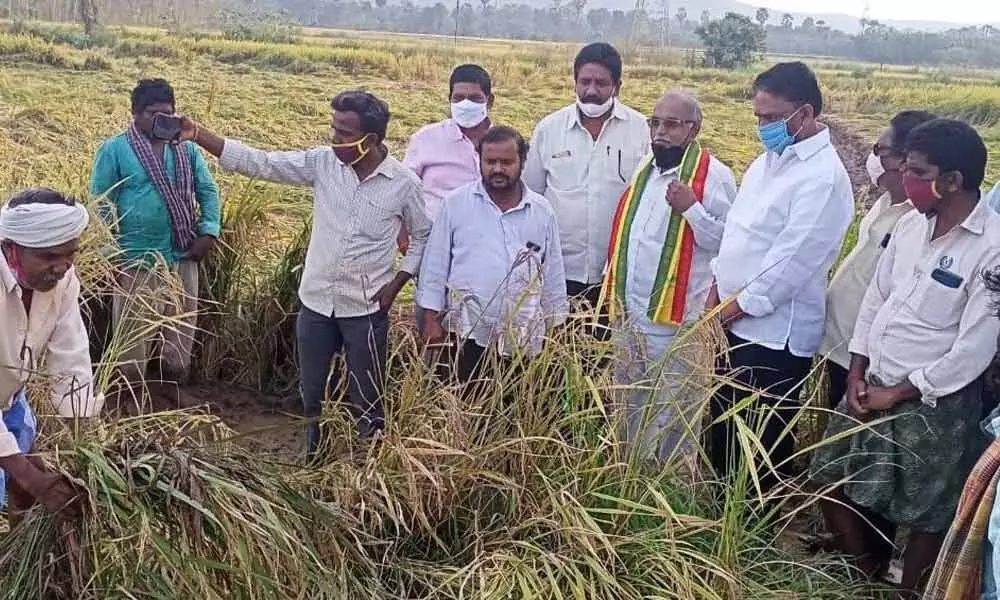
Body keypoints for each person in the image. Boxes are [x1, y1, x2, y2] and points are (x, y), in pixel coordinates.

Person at [178, 90, 431, 456]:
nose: (335, 138)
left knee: (367, 396)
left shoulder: (404, 184)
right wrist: (201, 134)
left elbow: (424, 235)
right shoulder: (323, 164)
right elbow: (262, 162)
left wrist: (398, 282)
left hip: (366, 308)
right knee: (311, 395)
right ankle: (314, 457)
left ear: (371, 139)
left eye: (345, 132)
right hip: (315, 304)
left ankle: (366, 467)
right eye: (334, 128)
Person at [810, 118, 1000, 596]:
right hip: (872, 381)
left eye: (917, 171)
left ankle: (909, 590)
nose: (905, 178)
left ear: (952, 180)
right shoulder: (912, 226)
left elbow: (974, 348)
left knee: (927, 512)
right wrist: (857, 368)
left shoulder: (993, 249)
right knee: (828, 478)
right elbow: (877, 299)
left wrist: (898, 391)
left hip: (934, 403)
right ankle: (866, 578)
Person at [706, 62, 854, 496]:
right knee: (723, 436)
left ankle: (751, 541)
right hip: (731, 324)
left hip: (773, 337)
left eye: (772, 118)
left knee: (759, 451)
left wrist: (724, 312)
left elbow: (787, 267)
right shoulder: (768, 161)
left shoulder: (823, 178)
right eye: (759, 118)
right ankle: (718, 525)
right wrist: (716, 293)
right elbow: (737, 231)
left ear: (804, 114)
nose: (763, 127)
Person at [599, 89, 736, 462]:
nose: (660, 132)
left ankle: (671, 481)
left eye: (671, 125)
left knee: (674, 405)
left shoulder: (714, 177)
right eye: (654, 122)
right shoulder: (645, 169)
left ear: (694, 129)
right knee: (629, 398)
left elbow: (727, 242)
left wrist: (691, 209)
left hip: (677, 321)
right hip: (631, 314)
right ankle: (628, 470)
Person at [90, 78, 221, 391]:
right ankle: (129, 398)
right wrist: (110, 256)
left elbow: (207, 190)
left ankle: (171, 392)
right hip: (135, 257)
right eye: (153, 114)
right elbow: (100, 204)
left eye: (168, 114)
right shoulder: (115, 149)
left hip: (183, 252)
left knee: (181, 329)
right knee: (132, 336)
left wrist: (209, 231)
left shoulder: (186, 149)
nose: (162, 121)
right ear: (135, 113)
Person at [417, 126, 568, 388]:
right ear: (480, 160)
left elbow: (552, 273)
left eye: (506, 162)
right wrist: (430, 319)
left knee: (514, 410)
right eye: (491, 161)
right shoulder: (456, 203)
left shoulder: (541, 210)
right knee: (465, 404)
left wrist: (556, 327)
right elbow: (435, 266)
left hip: (523, 335)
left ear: (522, 161)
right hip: (465, 331)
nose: (498, 169)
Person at [523, 42, 648, 335]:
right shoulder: (549, 129)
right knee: (556, 354)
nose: (592, 90)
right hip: (557, 270)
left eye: (602, 83)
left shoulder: (641, 130)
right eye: (585, 81)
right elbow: (531, 197)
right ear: (575, 82)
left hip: (617, 274)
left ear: (617, 86)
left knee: (608, 357)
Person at [818, 110, 936, 408]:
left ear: (904, 159)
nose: (873, 158)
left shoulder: (918, 221)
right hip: (837, 340)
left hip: (863, 357)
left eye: (879, 150)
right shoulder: (884, 202)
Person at [0, 188, 103, 515]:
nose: (61, 267)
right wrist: (27, 473)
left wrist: (87, 448)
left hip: (9, 399)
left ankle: (17, 563)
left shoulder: (63, 279)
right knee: (26, 476)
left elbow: (70, 356)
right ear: (11, 250)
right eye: (48, 257)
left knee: (25, 488)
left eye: (69, 254)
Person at [403, 64, 493, 332]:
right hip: (432, 247)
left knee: (478, 322)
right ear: (449, 99)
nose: (466, 104)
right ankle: (431, 372)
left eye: (475, 98)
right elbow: (402, 192)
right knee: (431, 318)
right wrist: (404, 239)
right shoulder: (427, 139)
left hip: (484, 249)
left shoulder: (503, 143)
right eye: (458, 98)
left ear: (490, 100)